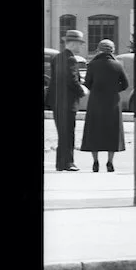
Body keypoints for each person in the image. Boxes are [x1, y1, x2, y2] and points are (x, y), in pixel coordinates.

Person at [81, 38, 128, 174]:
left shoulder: (92, 65)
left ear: (98, 50)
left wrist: (96, 89)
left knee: (94, 130)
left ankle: (95, 162)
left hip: (96, 102)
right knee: (112, 132)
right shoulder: (117, 65)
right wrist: (113, 90)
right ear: (112, 50)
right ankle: (110, 162)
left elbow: (87, 83)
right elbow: (125, 84)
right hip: (113, 102)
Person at [50, 30, 85, 172]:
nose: (81, 46)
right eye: (80, 43)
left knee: (62, 133)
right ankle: (68, 162)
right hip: (68, 102)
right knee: (69, 133)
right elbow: (71, 80)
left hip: (56, 101)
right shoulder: (71, 59)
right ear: (74, 43)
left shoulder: (57, 58)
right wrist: (82, 90)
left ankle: (61, 163)